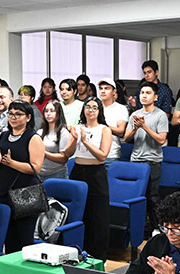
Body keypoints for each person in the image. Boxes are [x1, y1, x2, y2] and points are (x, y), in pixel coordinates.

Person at [0, 101, 45, 253]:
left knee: (24, 238)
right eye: (11, 114)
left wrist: (11, 163)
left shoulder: (33, 138)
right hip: (3, 191)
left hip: (26, 193)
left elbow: (35, 167)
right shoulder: (1, 136)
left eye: (18, 114)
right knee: (8, 237)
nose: (13, 117)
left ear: (28, 117)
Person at [68, 97, 112, 260]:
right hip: (78, 170)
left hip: (96, 173)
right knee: (79, 213)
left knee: (98, 215)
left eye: (95, 107)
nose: (91, 110)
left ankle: (99, 256)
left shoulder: (104, 129)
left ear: (99, 111)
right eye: (88, 107)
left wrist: (85, 141)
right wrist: (74, 138)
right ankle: (77, 251)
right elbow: (69, 153)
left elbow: (102, 156)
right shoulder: (78, 127)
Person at [125, 82, 169, 233]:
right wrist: (136, 127)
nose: (144, 95)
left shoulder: (160, 115)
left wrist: (145, 127)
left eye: (148, 93)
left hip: (152, 161)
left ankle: (157, 227)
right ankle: (139, 229)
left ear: (155, 97)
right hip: (136, 161)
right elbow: (126, 138)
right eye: (142, 92)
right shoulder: (134, 115)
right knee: (137, 197)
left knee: (152, 196)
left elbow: (161, 139)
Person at [39, 100, 76, 179]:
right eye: (46, 111)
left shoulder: (63, 132)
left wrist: (44, 153)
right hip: (39, 173)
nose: (48, 114)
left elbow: (63, 158)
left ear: (58, 113)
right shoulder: (40, 132)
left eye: (52, 111)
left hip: (57, 173)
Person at [97, 78, 128, 168]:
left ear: (114, 91)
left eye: (107, 88)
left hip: (111, 155)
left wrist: (103, 125)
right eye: (101, 88)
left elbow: (121, 131)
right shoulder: (94, 106)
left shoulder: (121, 109)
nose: (103, 91)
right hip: (93, 154)